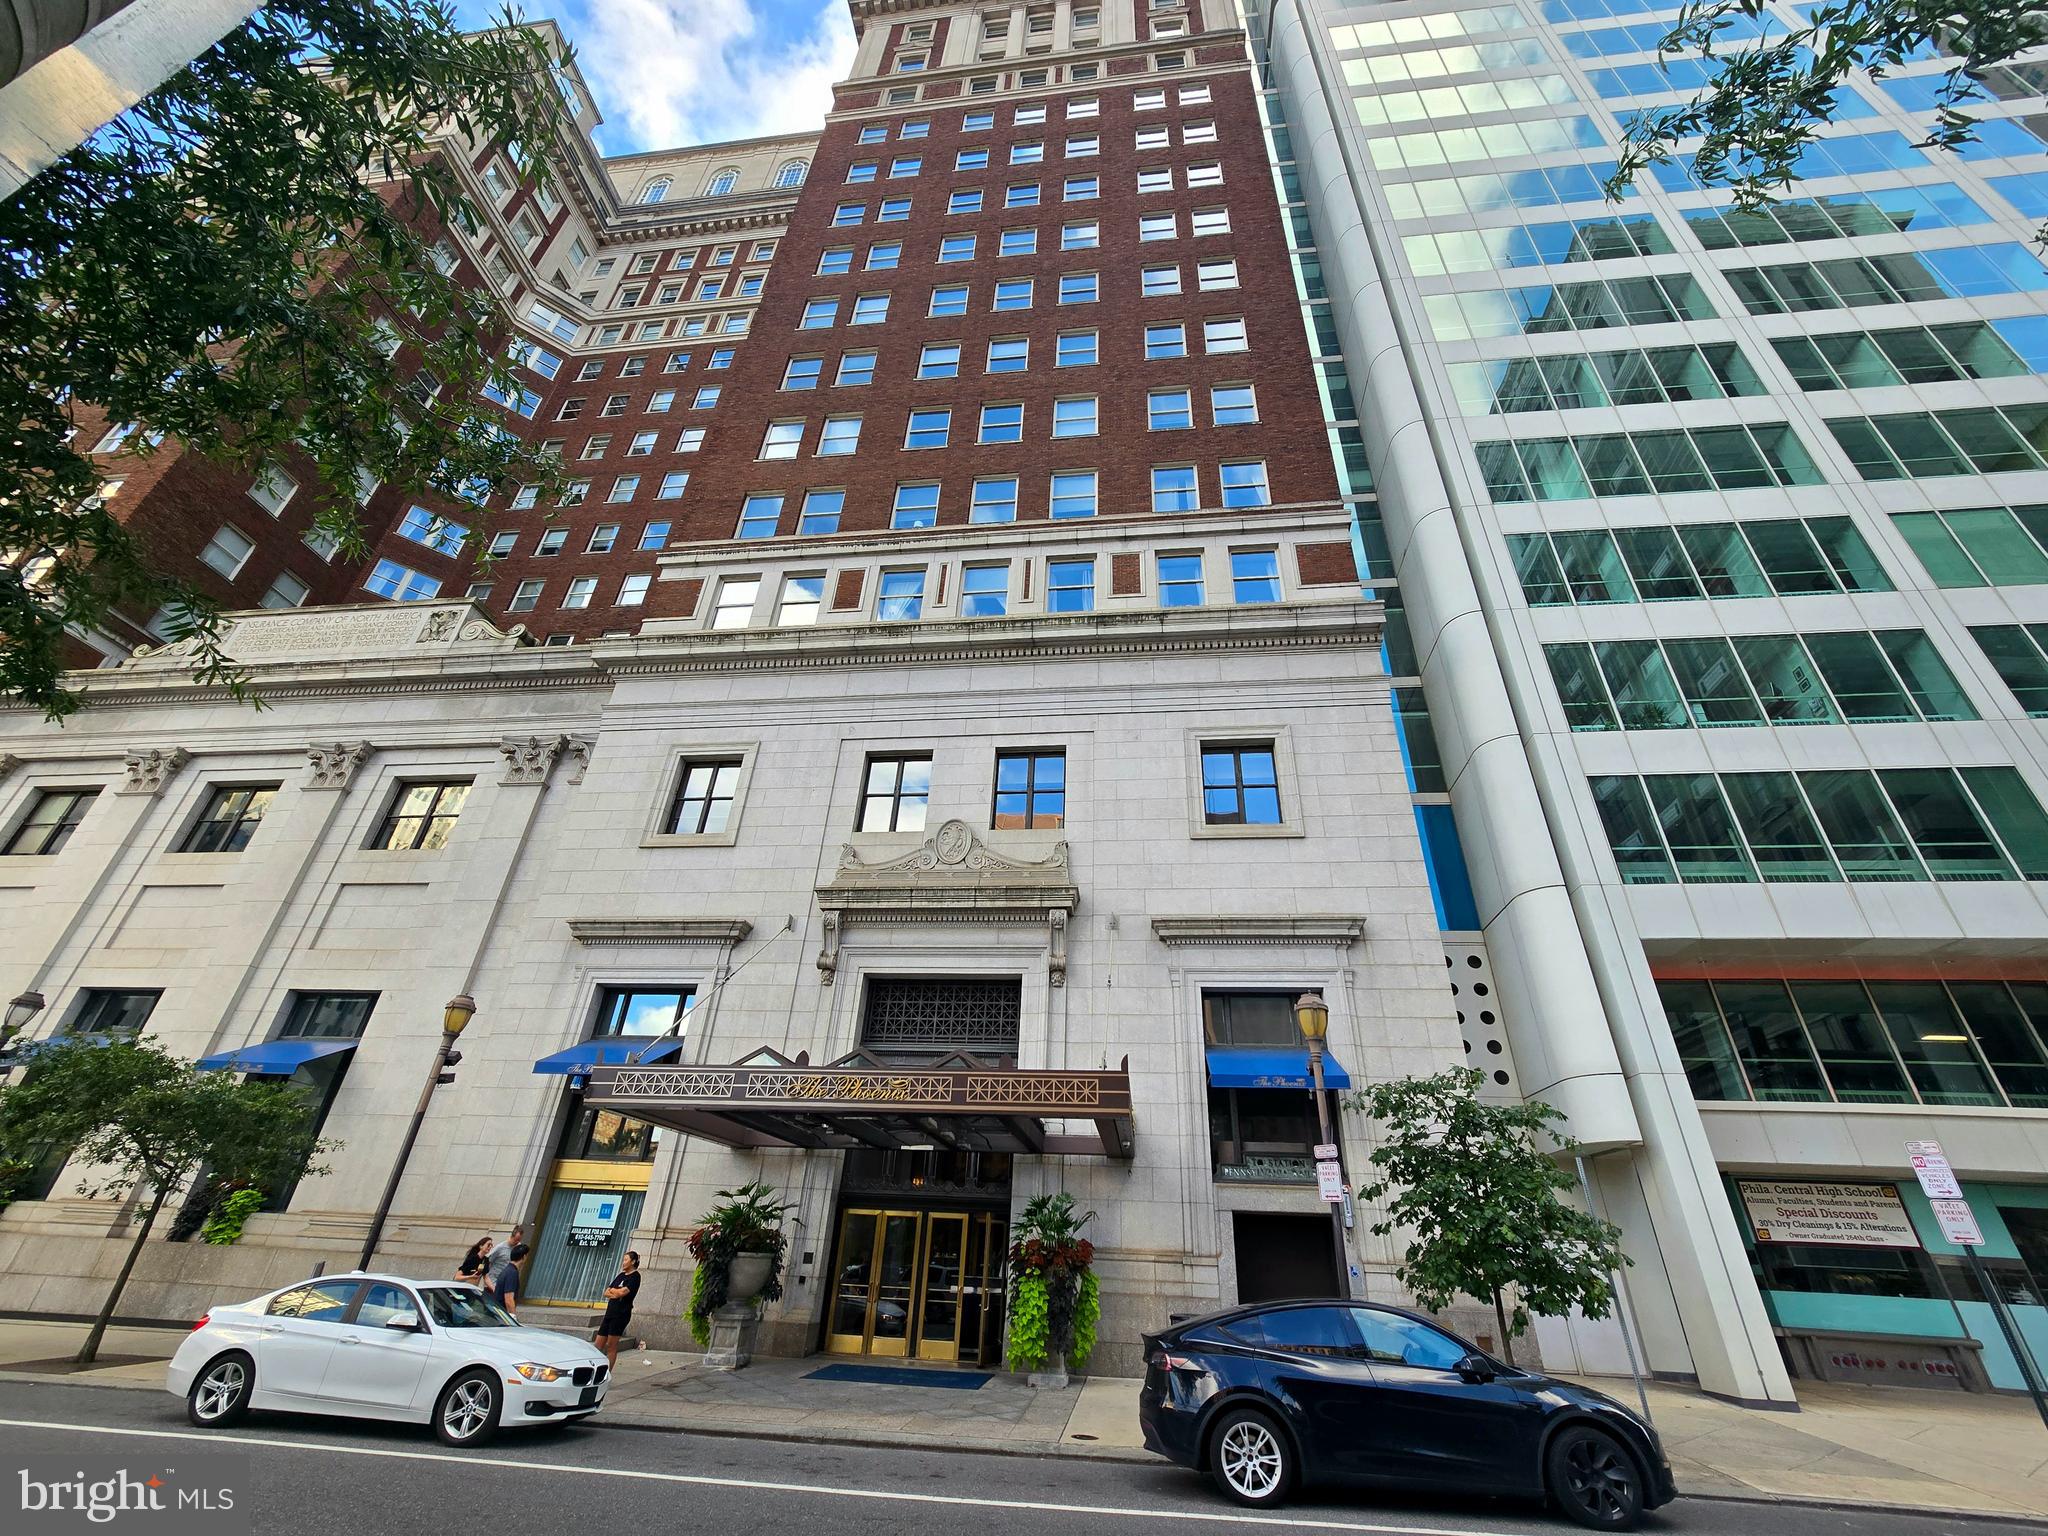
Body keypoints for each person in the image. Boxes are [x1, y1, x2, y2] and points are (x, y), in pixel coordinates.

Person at [593, 1250, 640, 1369]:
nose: (623, 1263)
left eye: (626, 1260)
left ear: (633, 1261)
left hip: (621, 1314)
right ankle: (594, 1370)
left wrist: (615, 1292)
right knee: (598, 1345)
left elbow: (623, 1292)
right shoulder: (621, 1276)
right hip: (610, 1312)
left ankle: (607, 1372)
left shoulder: (635, 1276)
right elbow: (606, 1292)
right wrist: (615, 1292)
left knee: (611, 1345)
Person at [485, 1223, 527, 1315]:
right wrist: (491, 1285)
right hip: (494, 1282)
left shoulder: (518, 1247)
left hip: (507, 1280)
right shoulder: (500, 1248)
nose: (517, 1242)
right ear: (512, 1236)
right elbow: (488, 1264)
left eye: (519, 1240)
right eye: (515, 1240)